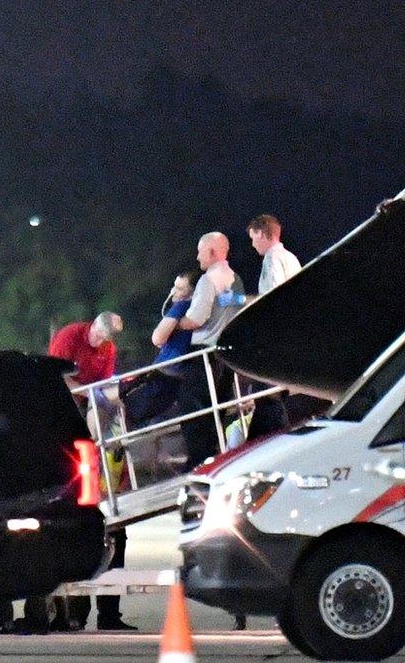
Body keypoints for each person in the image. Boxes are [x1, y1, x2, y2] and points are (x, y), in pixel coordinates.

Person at [48, 312, 135, 632]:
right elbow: (54, 377)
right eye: (97, 336)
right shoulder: (70, 336)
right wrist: (89, 392)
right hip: (62, 401)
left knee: (110, 406)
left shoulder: (107, 350)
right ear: (92, 327)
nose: (99, 343)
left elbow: (105, 384)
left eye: (104, 340)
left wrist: (101, 395)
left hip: (89, 406)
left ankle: (109, 614)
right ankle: (72, 613)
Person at [176, 232, 245, 471]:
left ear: (213, 252)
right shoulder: (234, 278)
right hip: (226, 356)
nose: (197, 257)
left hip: (204, 353)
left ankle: (198, 461)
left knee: (191, 406)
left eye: (200, 251)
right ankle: (214, 457)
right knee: (217, 408)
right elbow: (232, 306)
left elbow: (197, 318)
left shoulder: (208, 280)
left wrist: (176, 322)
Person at [120, 271, 198, 427]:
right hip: (181, 375)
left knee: (127, 405)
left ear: (192, 292)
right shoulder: (198, 308)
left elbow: (157, 338)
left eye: (180, 288)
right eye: (174, 286)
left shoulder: (181, 306)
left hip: (166, 370)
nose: (174, 291)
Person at [247, 214, 301, 295]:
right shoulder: (291, 257)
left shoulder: (271, 258)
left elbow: (275, 293)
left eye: (252, 238)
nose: (253, 244)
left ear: (260, 234)